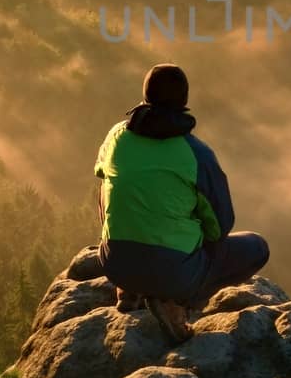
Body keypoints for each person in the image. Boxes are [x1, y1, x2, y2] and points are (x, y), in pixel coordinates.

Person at [94, 62, 270, 343]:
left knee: (107, 183)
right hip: (174, 274)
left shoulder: (116, 136)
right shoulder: (197, 154)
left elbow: (102, 173)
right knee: (257, 248)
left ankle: (130, 290)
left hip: (115, 263)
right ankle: (176, 304)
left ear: (145, 96)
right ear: (184, 101)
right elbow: (220, 226)